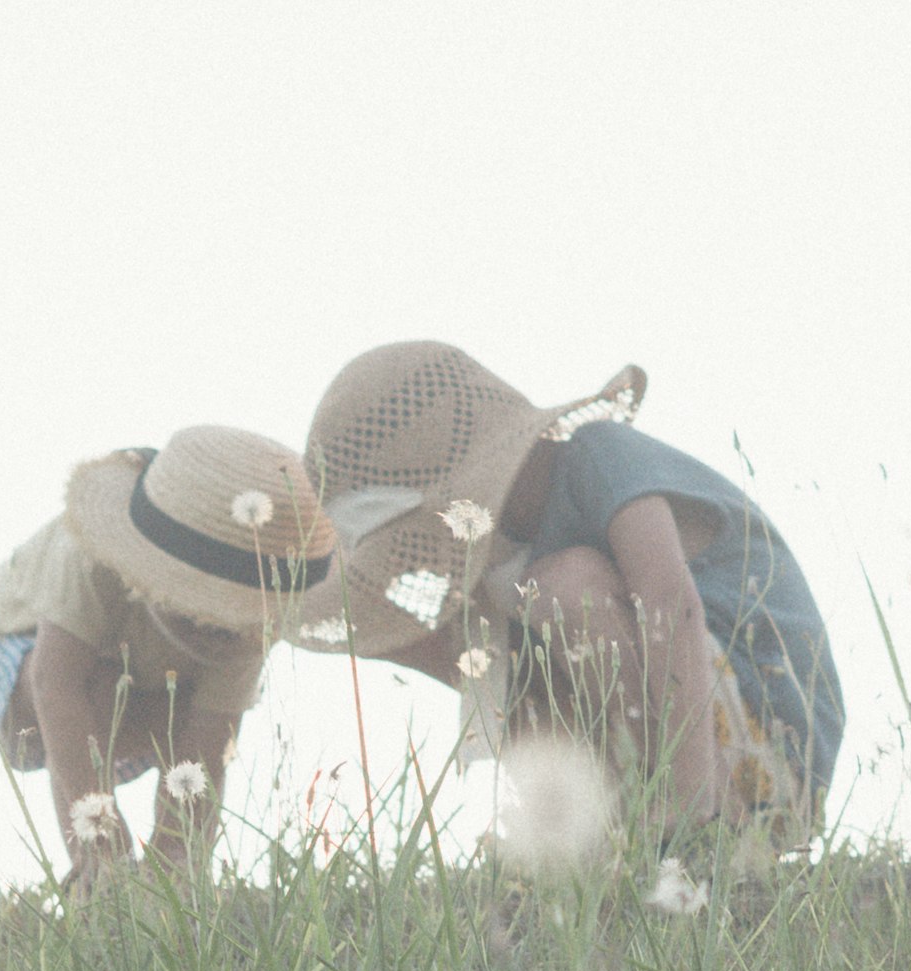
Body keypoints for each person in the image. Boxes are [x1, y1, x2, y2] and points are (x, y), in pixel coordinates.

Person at [302, 339, 843, 829]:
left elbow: (671, 605)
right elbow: (487, 681)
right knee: (518, 659)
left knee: (564, 586)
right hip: (682, 743)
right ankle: (608, 843)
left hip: (769, 739)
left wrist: (692, 806)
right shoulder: (503, 566)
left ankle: (702, 825)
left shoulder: (598, 454)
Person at [0, 425, 344, 886]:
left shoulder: (252, 620)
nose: (216, 632)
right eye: (199, 610)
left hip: (150, 675)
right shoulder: (90, 557)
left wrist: (176, 864)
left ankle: (166, 884)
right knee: (96, 687)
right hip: (17, 645)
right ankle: (96, 875)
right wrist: (104, 842)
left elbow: (208, 745)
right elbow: (55, 685)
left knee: (193, 741)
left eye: (233, 620)